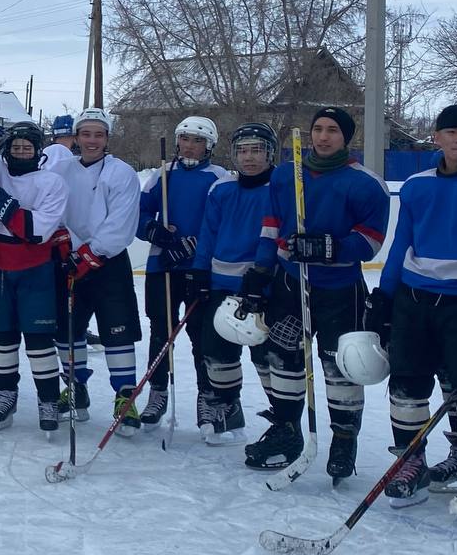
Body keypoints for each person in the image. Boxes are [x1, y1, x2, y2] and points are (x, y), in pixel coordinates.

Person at [238, 106, 390, 481]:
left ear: (346, 137)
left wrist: (330, 248)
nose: (323, 137)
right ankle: (287, 430)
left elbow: (371, 241)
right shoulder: (285, 177)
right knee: (285, 359)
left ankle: (343, 438)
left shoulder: (366, 183)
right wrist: (260, 272)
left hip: (340, 289)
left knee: (342, 367)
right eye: (318, 129)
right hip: (292, 283)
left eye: (333, 130)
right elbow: (271, 227)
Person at [370, 103, 457, 518]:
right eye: (452, 132)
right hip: (414, 301)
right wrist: (384, 295)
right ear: (437, 138)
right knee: (406, 386)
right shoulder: (417, 185)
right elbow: (402, 244)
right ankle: (410, 461)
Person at [0, 122, 69, 434]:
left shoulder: (51, 182)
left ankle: (49, 399)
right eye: (16, 147)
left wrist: (8, 209)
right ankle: (6, 394)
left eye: (28, 147)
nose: (21, 151)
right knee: (2, 336)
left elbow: (38, 232)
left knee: (38, 340)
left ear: (38, 151)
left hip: (33, 271)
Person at [135, 116, 229, 428]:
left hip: (199, 269)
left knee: (201, 336)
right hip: (161, 267)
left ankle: (206, 395)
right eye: (185, 138)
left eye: (198, 140)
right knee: (161, 331)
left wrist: (193, 246)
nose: (190, 145)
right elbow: (139, 211)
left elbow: (223, 224)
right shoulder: (164, 174)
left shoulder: (219, 178)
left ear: (209, 146)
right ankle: (158, 392)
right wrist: (152, 230)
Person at [190, 123, 278, 442]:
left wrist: (268, 275)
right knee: (215, 351)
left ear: (270, 153)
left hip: (263, 287)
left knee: (266, 356)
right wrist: (200, 272)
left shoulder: (280, 189)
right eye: (242, 151)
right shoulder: (222, 190)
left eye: (256, 150)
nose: (249, 157)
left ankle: (283, 418)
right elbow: (209, 234)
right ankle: (229, 407)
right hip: (220, 283)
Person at [58, 108, 143, 429]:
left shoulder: (121, 173)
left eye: (99, 134)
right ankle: (75, 388)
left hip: (108, 264)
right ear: (77, 137)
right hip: (68, 260)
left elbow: (121, 223)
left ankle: (125, 396)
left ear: (107, 138)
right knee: (68, 329)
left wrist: (91, 253)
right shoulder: (62, 170)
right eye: (86, 134)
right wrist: (65, 244)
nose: (92, 140)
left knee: (117, 332)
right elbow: (54, 210)